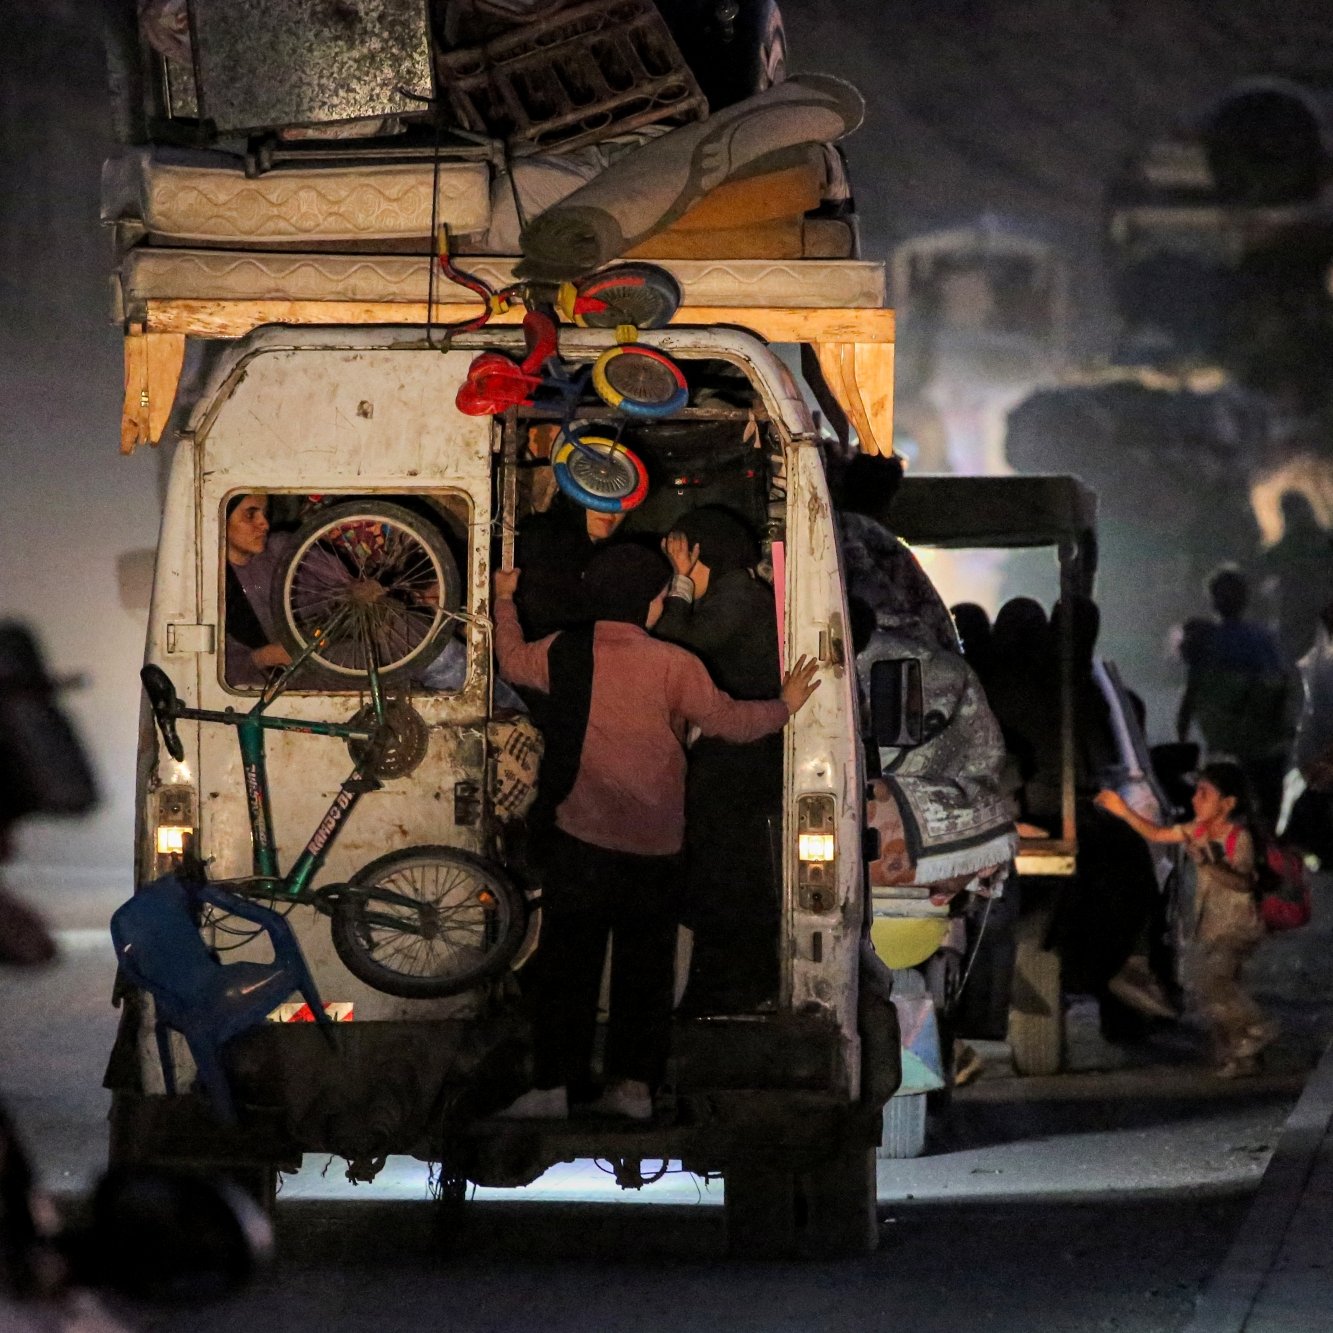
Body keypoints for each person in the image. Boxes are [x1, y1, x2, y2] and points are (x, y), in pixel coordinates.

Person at [492, 544, 820, 1121]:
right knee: (644, 970)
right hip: (656, 845)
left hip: (577, 837)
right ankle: (633, 1090)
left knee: (569, 966)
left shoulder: (564, 650)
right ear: (650, 604)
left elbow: (512, 662)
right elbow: (729, 722)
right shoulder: (673, 664)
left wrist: (503, 598)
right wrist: (784, 705)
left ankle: (552, 1088)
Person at [657, 506, 783, 1012]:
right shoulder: (741, 595)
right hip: (739, 751)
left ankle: (728, 989)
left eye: (683, 552)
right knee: (727, 873)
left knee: (724, 874)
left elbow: (673, 645)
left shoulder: (736, 595)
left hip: (740, 756)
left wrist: (680, 584)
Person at [1096, 762, 1275, 1077]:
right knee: (1210, 991)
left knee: (1215, 981)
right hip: (1209, 925)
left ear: (1227, 804)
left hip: (1238, 926)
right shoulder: (1197, 830)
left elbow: (1243, 883)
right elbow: (1157, 832)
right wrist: (1123, 810)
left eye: (1204, 794)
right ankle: (1239, 1056)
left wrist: (1208, 863)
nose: (1195, 800)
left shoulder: (1239, 837)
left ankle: (1257, 1027)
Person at [1177, 565, 1291, 824]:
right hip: (1249, 750)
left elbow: (1191, 697)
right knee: (1257, 816)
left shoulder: (1210, 641)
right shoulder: (1258, 639)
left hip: (1248, 749)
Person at [224, 493, 293, 686]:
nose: (265, 524)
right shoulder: (205, 585)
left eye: (265, 513)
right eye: (250, 515)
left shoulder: (280, 551)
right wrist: (264, 657)